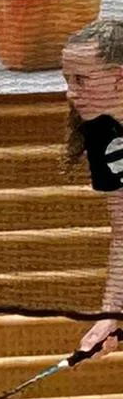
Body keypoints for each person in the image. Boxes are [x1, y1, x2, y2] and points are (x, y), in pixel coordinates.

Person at [62, 18, 123, 358]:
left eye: (81, 80)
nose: (70, 92)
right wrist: (109, 316)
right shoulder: (103, 136)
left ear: (119, 78)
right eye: (68, 80)